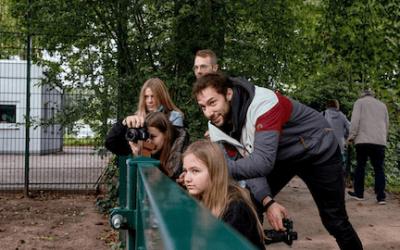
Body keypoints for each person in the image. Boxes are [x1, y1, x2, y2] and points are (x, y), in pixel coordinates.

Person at [192, 72, 363, 250]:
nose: (209, 113)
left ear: (228, 94)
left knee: (335, 221)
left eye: (212, 103)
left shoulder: (264, 103)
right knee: (247, 204)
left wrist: (213, 170)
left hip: (318, 150)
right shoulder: (217, 128)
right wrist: (268, 201)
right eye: (203, 107)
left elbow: (262, 163)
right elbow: (248, 167)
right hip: (281, 157)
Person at [182, 140, 265, 249]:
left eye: (195, 171)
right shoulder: (195, 201)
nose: (187, 179)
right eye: (185, 171)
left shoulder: (236, 209)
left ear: (214, 171)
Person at [105, 112, 189, 181]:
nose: (148, 142)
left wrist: (143, 160)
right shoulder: (143, 148)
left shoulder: (183, 154)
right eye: (146, 137)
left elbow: (159, 184)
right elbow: (111, 143)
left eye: (152, 136)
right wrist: (123, 123)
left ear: (166, 135)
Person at [346, 89, 389, 205]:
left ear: (362, 95)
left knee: (361, 165)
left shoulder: (360, 102)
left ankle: (359, 193)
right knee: (379, 168)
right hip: (379, 141)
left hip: (363, 140)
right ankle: (381, 197)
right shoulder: (382, 105)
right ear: (372, 95)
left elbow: (355, 121)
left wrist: (351, 137)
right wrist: (383, 137)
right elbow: (386, 124)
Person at [321, 99, 351, 172]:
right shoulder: (342, 116)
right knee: (339, 165)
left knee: (326, 164)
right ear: (337, 105)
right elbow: (350, 129)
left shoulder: (323, 114)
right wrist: (345, 134)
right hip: (339, 145)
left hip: (326, 145)